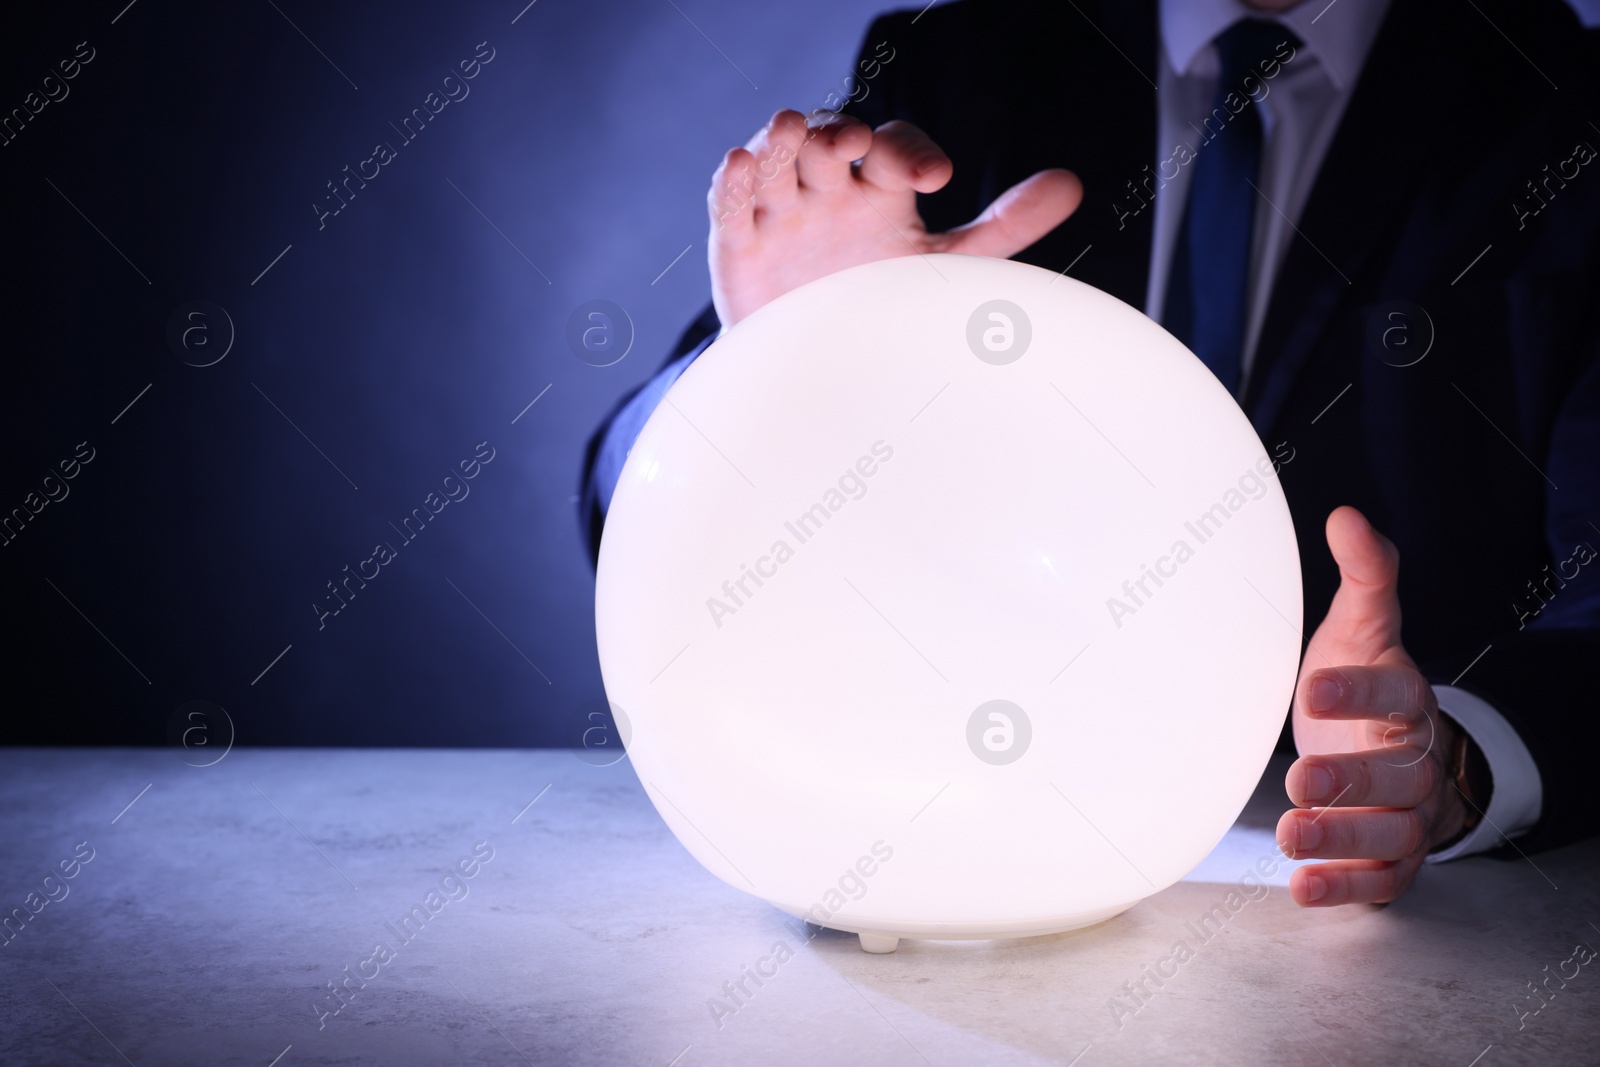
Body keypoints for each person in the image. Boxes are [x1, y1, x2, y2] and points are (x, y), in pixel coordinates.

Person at [581, 0, 1600, 908]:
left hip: (1370, 889)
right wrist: (777, 355)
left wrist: (1461, 755)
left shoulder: (1560, 99)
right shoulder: (960, 69)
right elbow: (621, 495)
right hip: (941, 811)